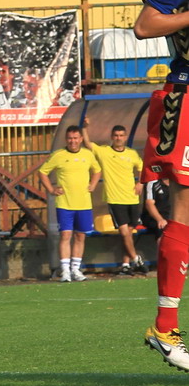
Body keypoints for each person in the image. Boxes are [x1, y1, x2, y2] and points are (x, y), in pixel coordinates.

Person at [133, 0, 189, 372]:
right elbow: (146, 25)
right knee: (184, 210)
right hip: (187, 99)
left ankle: (166, 327)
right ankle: (165, 327)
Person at [80, 117, 146, 275]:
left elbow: (143, 168)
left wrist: (140, 183)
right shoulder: (104, 152)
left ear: (125, 137)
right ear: (112, 137)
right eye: (116, 135)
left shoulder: (131, 153)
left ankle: (125, 264)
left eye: (121, 135)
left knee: (128, 234)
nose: (118, 138)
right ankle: (136, 259)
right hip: (116, 199)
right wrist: (84, 128)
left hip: (132, 198)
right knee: (124, 232)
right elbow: (88, 144)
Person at [38, 125, 101, 282]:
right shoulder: (59, 155)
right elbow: (42, 172)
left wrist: (93, 184)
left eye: (75, 138)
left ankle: (76, 269)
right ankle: (65, 271)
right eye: (70, 138)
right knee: (66, 235)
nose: (73, 141)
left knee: (80, 236)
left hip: (84, 204)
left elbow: (97, 170)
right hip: (65, 203)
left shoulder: (88, 155)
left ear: (80, 139)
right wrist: (51, 189)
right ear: (66, 139)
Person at [143, 177, 171, 242]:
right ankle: (161, 251)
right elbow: (149, 204)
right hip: (155, 217)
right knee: (162, 234)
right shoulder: (153, 182)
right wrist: (160, 219)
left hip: (172, 216)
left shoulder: (177, 183)